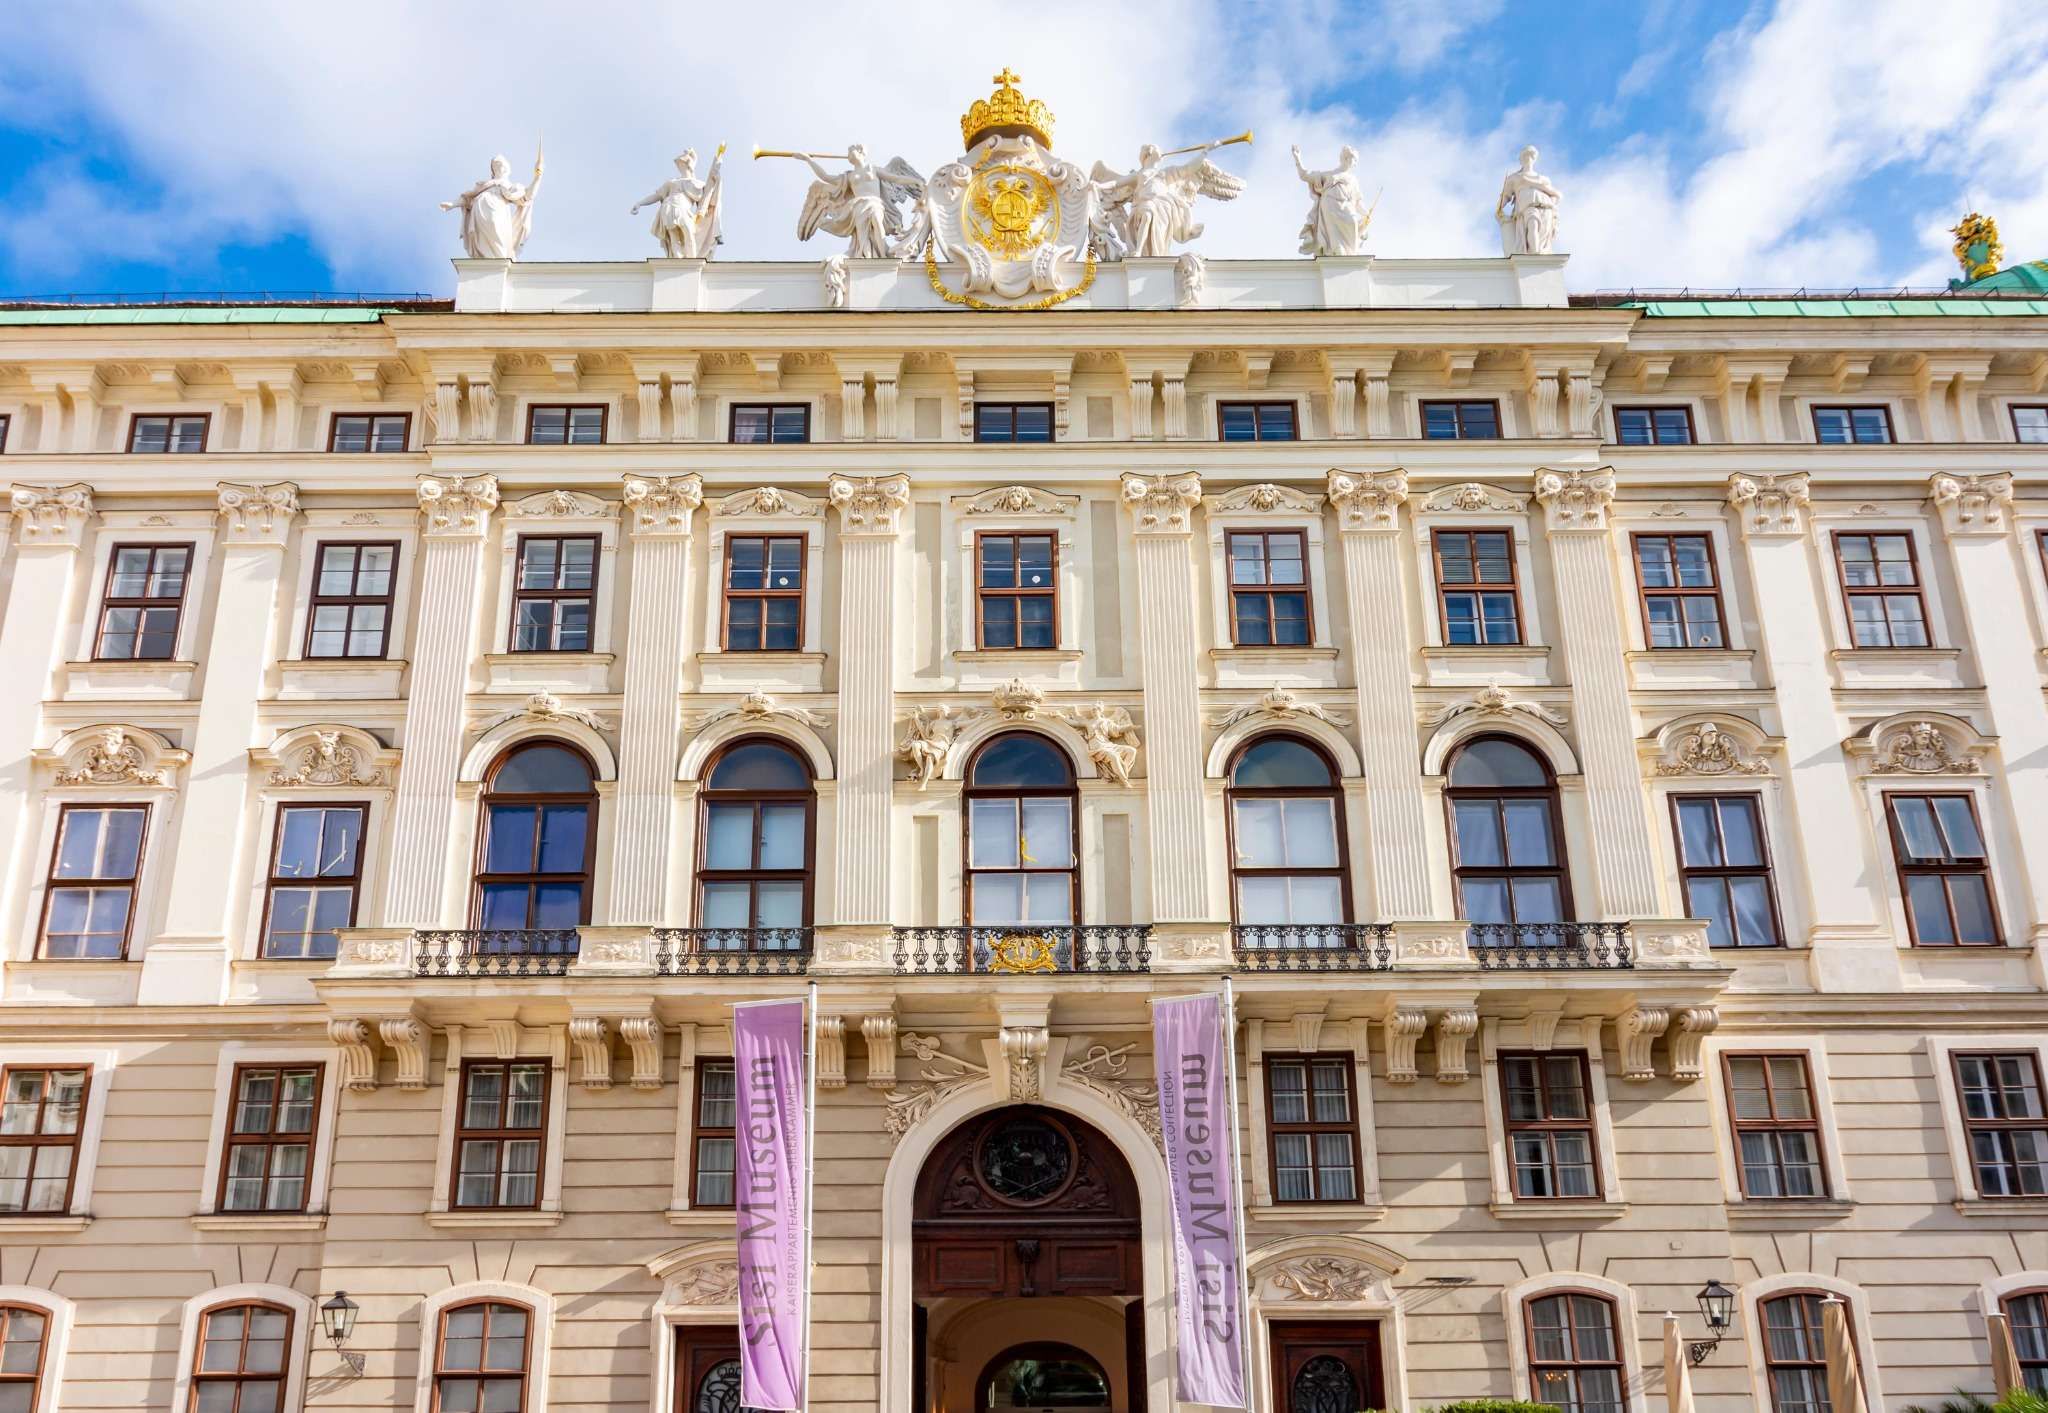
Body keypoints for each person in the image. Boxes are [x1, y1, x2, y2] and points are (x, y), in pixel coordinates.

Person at [441, 153, 541, 260]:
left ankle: (499, 260)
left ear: (507, 169)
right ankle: (485, 260)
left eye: (501, 165)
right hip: (478, 214)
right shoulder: (484, 184)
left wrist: (537, 177)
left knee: (496, 229)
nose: (499, 167)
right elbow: (467, 197)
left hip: (497, 211)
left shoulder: (510, 186)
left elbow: (527, 196)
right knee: (481, 241)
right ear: (493, 170)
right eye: (495, 165)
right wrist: (452, 204)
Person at [631, 146, 724, 259]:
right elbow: (657, 195)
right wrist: (640, 203)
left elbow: (708, 198)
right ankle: (677, 261)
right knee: (674, 237)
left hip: (683, 210)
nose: (680, 166)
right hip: (668, 208)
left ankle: (691, 261)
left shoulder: (696, 184)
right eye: (679, 163)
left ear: (689, 165)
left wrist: (716, 180)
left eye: (682, 163)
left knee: (689, 233)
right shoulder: (672, 182)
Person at [1293, 145, 1370, 256]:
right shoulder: (1329, 175)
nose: (1355, 163)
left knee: (1353, 221)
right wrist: (1298, 159)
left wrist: (1366, 214)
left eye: (1356, 161)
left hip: (1346, 206)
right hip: (1330, 204)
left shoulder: (1353, 179)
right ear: (1346, 158)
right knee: (1333, 234)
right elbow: (1305, 176)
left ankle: (1349, 253)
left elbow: (1357, 201)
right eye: (1354, 159)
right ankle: (1336, 249)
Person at [1496, 145, 1561, 256]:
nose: (1528, 158)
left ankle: (1538, 254)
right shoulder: (1514, 178)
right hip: (1527, 207)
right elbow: (1506, 196)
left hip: (1545, 208)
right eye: (1525, 156)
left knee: (1543, 233)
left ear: (1534, 159)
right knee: (1533, 226)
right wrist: (1499, 208)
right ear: (1521, 160)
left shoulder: (1543, 179)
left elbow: (1556, 195)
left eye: (1530, 156)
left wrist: (1553, 205)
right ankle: (1535, 255)